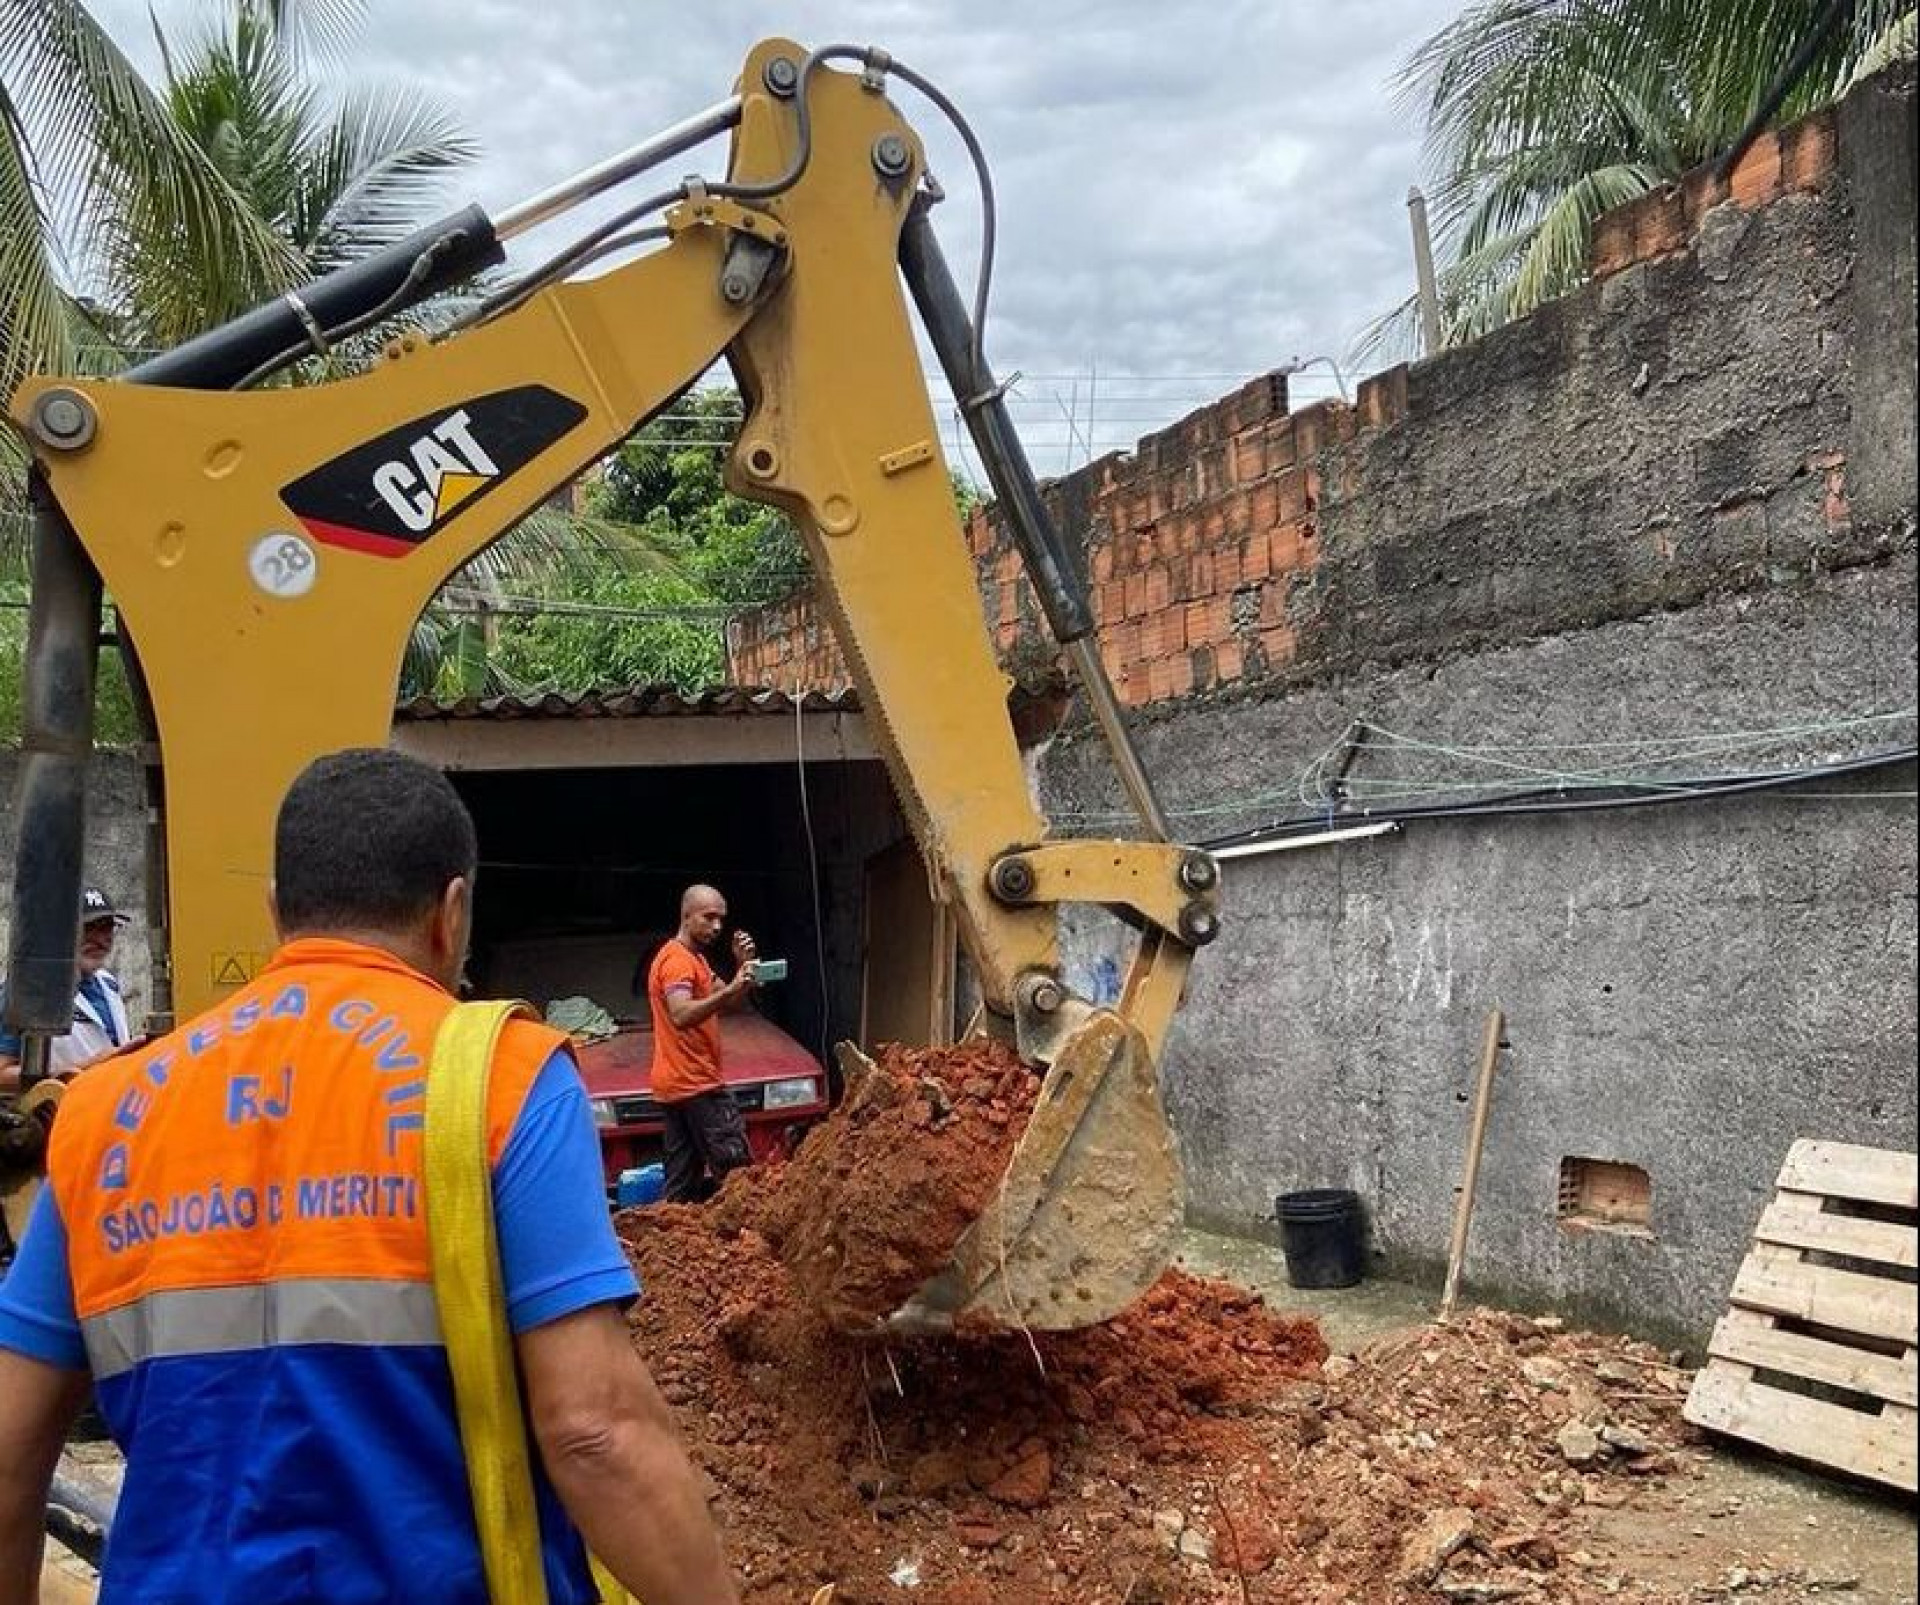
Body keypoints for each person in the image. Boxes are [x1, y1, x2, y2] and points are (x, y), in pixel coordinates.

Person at [0, 749, 737, 1605]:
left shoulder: (105, 1110)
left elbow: (10, 1450)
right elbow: (595, 1430)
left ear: (275, 909)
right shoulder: (502, 1078)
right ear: (451, 912)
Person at [647, 885, 759, 1204]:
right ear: (686, 916)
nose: (717, 926)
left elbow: (731, 1003)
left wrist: (742, 968)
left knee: (681, 1184)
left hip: (675, 1085)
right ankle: (746, 1234)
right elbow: (681, 1014)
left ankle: (671, 1234)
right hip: (697, 1082)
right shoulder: (677, 961)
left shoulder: (696, 960)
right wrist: (731, 989)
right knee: (739, 1176)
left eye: (721, 919)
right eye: (708, 917)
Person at [0, 886, 135, 1092]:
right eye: (87, 928)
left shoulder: (107, 984)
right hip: (62, 1108)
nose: (99, 940)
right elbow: (2, 1073)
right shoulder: (28, 989)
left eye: (106, 928)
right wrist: (80, 1071)